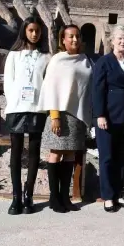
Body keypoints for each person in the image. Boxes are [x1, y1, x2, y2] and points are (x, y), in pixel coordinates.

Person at [37, 24, 94, 213]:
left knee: (70, 155)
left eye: (77, 36)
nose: (75, 40)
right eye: (70, 37)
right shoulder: (57, 60)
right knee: (55, 154)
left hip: (77, 115)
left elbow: (87, 88)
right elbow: (51, 88)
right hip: (59, 114)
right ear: (63, 39)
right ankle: (54, 198)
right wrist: (54, 117)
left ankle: (65, 197)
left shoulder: (85, 61)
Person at [3, 16, 51, 215]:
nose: (34, 34)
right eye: (31, 30)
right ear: (24, 31)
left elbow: (47, 83)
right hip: (16, 108)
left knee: (33, 153)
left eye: (37, 31)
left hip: (37, 108)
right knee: (15, 153)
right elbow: (8, 82)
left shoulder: (46, 57)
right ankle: (15, 197)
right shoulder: (14, 55)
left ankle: (28, 195)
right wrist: (13, 102)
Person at [92, 25, 124, 213]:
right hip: (108, 117)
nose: (123, 42)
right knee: (107, 158)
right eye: (119, 38)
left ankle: (119, 193)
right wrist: (99, 114)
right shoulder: (103, 62)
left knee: (122, 158)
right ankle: (108, 196)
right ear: (112, 40)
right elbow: (97, 90)